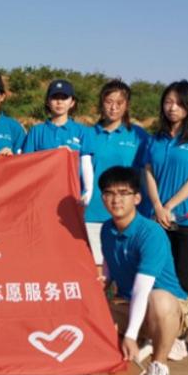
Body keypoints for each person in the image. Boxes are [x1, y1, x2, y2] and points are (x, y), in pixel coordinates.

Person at [99, 165, 188, 375]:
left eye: (123, 193)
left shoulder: (151, 233)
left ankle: (159, 364)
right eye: (109, 193)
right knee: (88, 309)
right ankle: (147, 340)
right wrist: (102, 283)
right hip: (129, 303)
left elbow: (142, 289)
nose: (116, 200)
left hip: (168, 306)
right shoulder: (106, 229)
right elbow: (109, 267)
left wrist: (130, 336)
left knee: (158, 299)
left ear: (137, 198)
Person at [139, 80, 188, 361]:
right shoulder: (155, 138)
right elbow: (147, 171)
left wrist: (169, 206)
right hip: (154, 218)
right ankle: (154, 332)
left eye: (179, 103)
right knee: (155, 275)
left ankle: (180, 336)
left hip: (185, 221)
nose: (173, 107)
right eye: (168, 102)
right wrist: (157, 206)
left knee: (183, 278)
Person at [80, 79, 149, 268]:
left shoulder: (139, 136)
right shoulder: (88, 134)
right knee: (97, 270)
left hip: (128, 214)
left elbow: (146, 176)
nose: (113, 107)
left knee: (126, 269)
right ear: (101, 103)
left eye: (119, 103)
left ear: (127, 105)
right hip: (93, 212)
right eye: (109, 101)